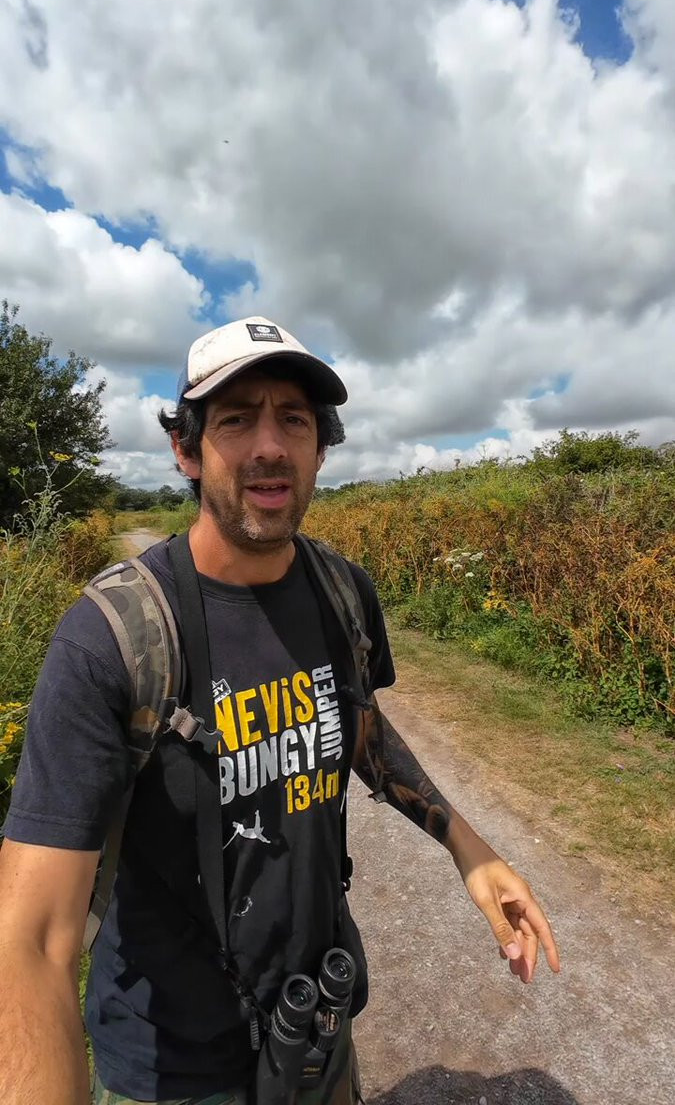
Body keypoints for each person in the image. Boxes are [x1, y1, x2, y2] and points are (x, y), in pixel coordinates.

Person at [0, 316, 560, 1105]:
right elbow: (30, 944)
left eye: (293, 419)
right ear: (186, 449)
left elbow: (357, 726)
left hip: (317, 1022)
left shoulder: (342, 592)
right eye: (236, 419)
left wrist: (467, 848)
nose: (270, 445)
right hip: (170, 1068)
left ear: (320, 447)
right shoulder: (112, 639)